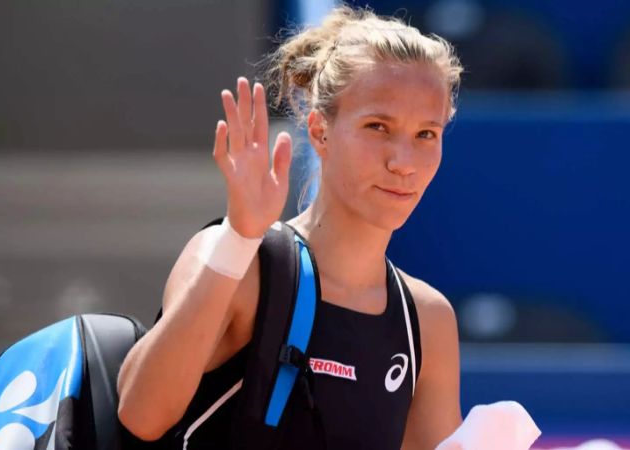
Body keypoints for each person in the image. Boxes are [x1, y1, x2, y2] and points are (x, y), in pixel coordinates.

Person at [116, 5, 463, 449]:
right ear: (319, 131)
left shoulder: (427, 322)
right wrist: (240, 237)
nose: (403, 163)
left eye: (426, 135)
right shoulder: (240, 259)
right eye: (378, 127)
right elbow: (140, 413)